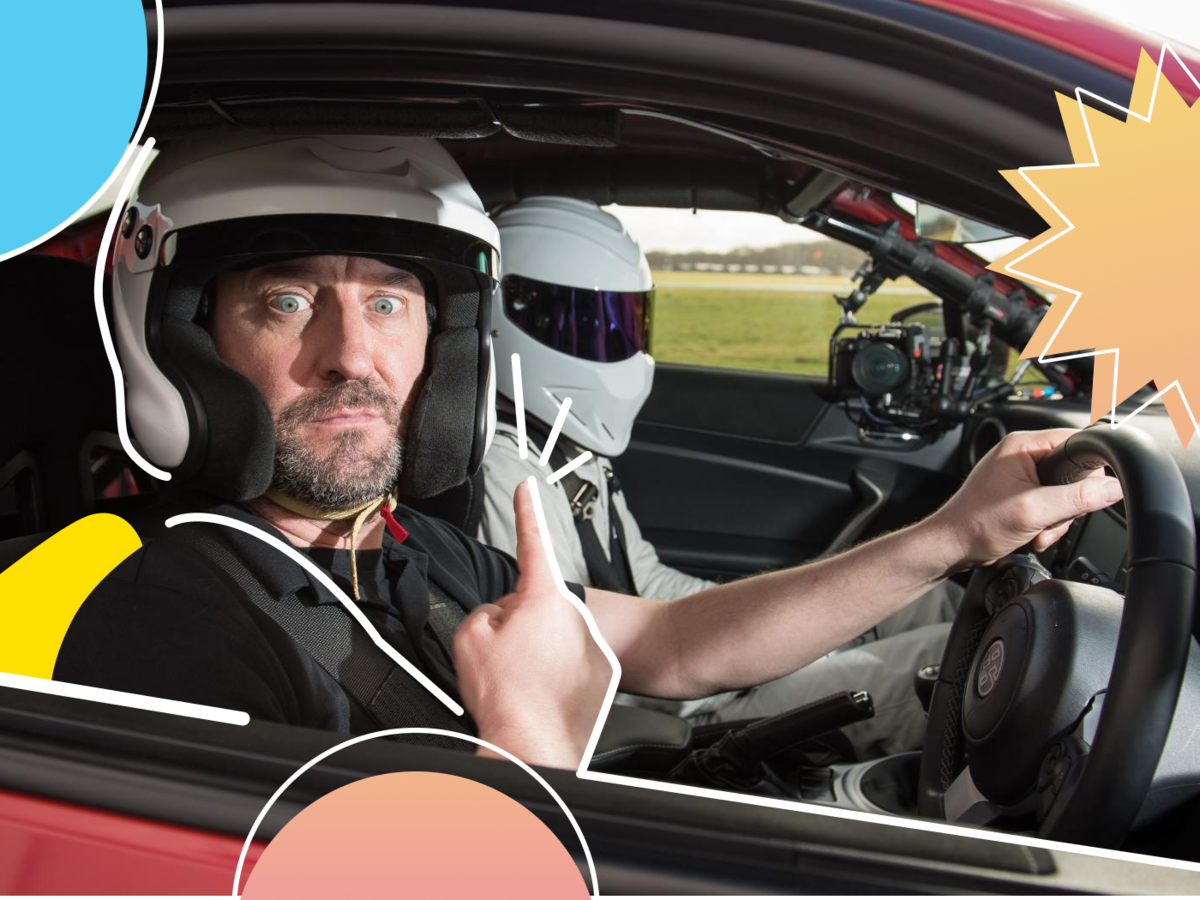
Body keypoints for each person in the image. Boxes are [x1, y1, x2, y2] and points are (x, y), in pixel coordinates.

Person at [56, 134, 1122, 772]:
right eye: (287, 301)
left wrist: (951, 536)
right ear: (191, 345)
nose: (354, 357)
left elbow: (671, 643)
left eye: (389, 302)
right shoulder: (161, 628)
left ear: (444, 347)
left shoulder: (417, 550)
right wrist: (530, 751)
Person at [478, 197, 961, 756]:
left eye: (624, 322)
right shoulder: (507, 475)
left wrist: (768, 623)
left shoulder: (569, 447)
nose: (617, 343)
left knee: (933, 601)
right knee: (945, 662)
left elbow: (648, 583)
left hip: (698, 666)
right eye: (587, 324)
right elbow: (570, 669)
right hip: (682, 712)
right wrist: (759, 651)